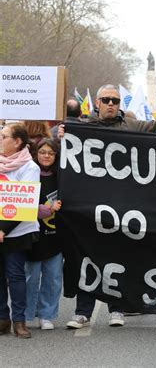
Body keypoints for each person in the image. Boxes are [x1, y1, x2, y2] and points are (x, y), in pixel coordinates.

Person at [60, 82, 156, 329]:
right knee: (87, 257)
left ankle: (116, 309)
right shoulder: (81, 129)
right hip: (89, 208)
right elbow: (55, 153)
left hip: (120, 208)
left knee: (115, 257)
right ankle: (82, 312)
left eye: (115, 101)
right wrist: (61, 137)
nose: (110, 104)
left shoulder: (131, 126)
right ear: (96, 103)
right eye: (106, 100)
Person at [0, 123, 41, 338]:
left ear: (17, 142)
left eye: (4, 136)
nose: (0, 139)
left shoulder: (30, 168)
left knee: (15, 276)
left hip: (16, 230)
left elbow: (25, 203)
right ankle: (2, 319)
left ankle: (19, 321)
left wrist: (3, 229)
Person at [25, 139, 62, 330]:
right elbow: (22, 204)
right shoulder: (29, 173)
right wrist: (46, 210)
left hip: (55, 236)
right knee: (31, 277)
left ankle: (47, 314)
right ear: (36, 153)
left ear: (56, 156)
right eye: (42, 152)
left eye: (51, 153)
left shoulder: (61, 177)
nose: (46, 156)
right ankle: (27, 313)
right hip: (31, 235)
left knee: (53, 277)